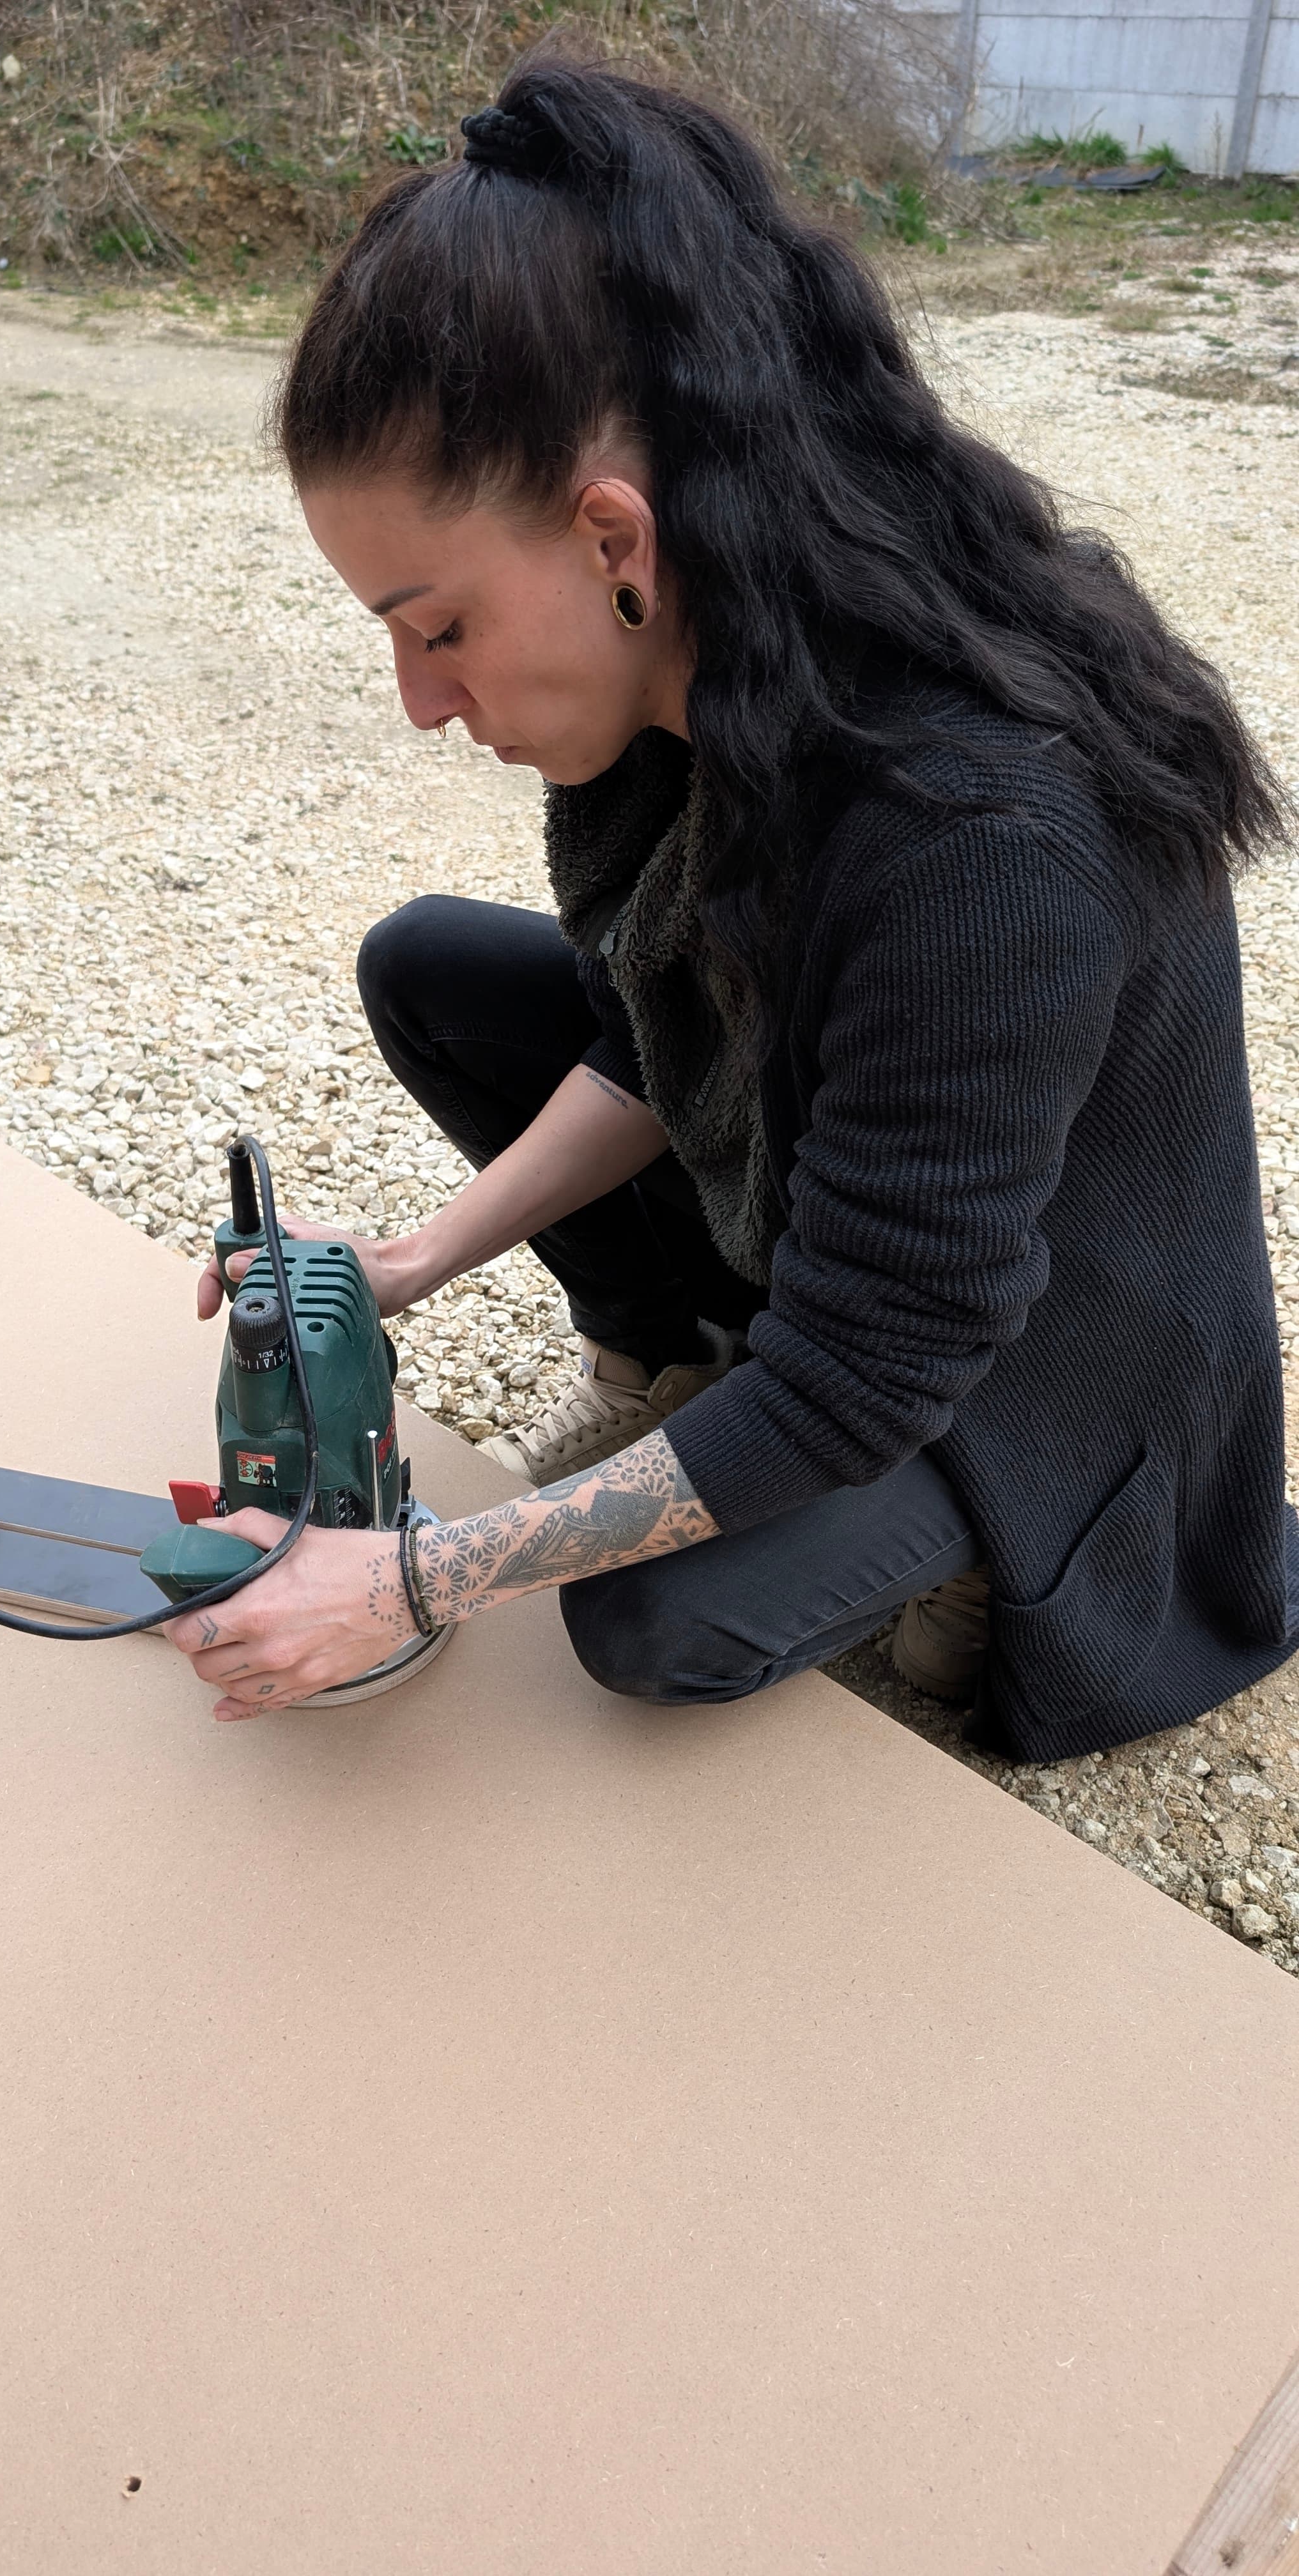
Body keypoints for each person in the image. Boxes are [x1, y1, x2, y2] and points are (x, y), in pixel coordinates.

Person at [167, 54, 1296, 1763]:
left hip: (1034, 1337)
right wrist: (402, 1264)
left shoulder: (979, 827)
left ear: (611, 534)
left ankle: (1004, 1544)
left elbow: (870, 1361)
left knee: (643, 1629)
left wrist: (410, 1578)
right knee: (435, 969)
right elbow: (650, 1031)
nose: (416, 698)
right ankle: (676, 1366)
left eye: (438, 626)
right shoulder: (687, 665)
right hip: (857, 1209)